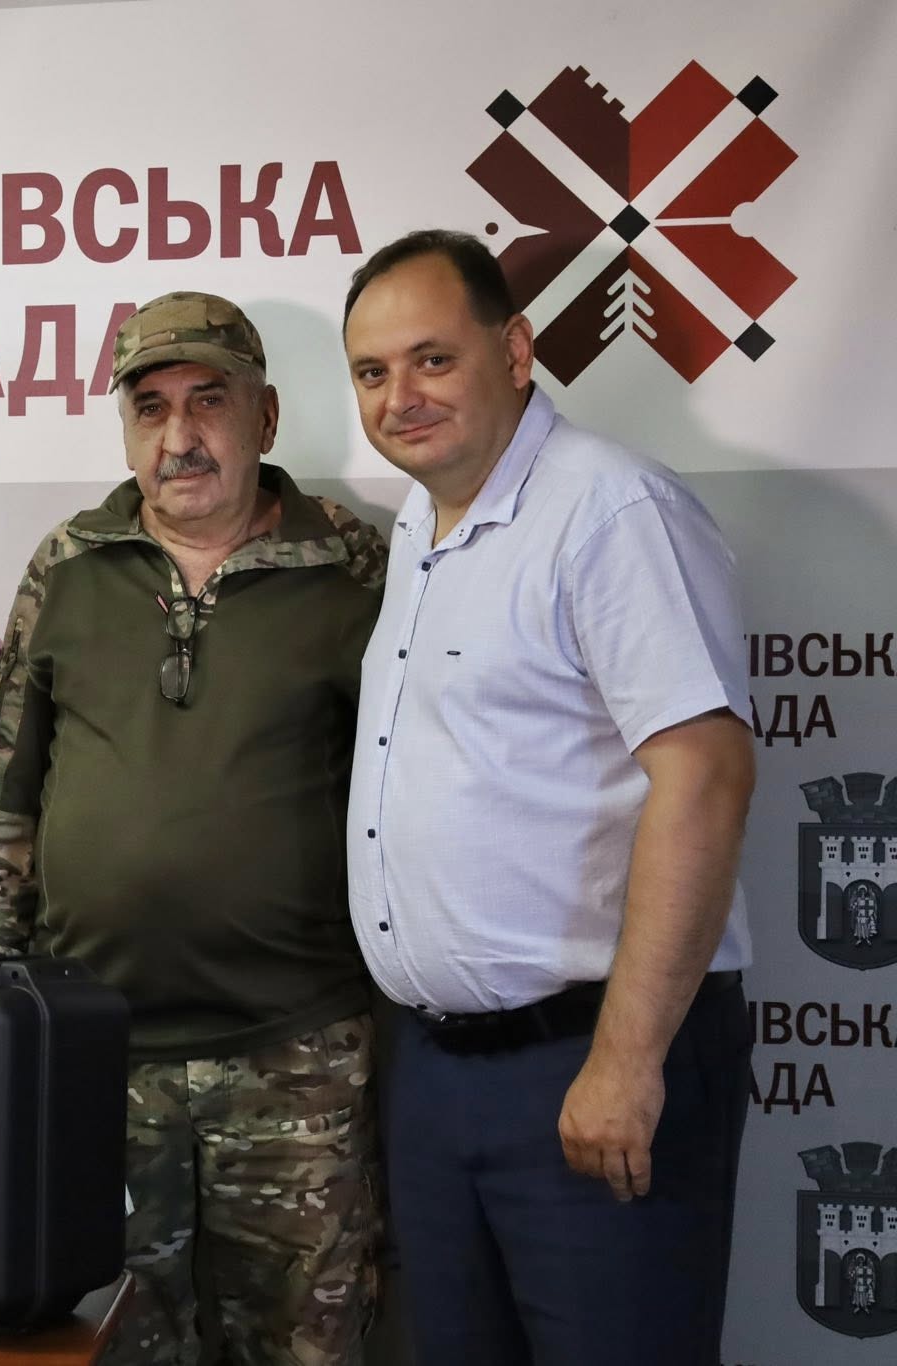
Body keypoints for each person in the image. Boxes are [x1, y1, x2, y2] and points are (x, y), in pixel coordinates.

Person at [340, 229, 755, 1366]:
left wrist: (625, 1061)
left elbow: (706, 774)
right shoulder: (418, 529)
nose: (400, 397)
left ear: (515, 351)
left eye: (432, 359)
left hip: (589, 1058)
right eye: (372, 372)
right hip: (439, 1077)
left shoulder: (609, 510)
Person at [0, 292, 388, 1366]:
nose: (178, 436)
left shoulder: (351, 566)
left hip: (296, 1056)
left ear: (265, 417)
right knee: (108, 1346)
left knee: (303, 1348)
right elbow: (3, 790)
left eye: (208, 402)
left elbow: (416, 797)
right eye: (149, 408)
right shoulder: (68, 564)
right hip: (97, 1056)